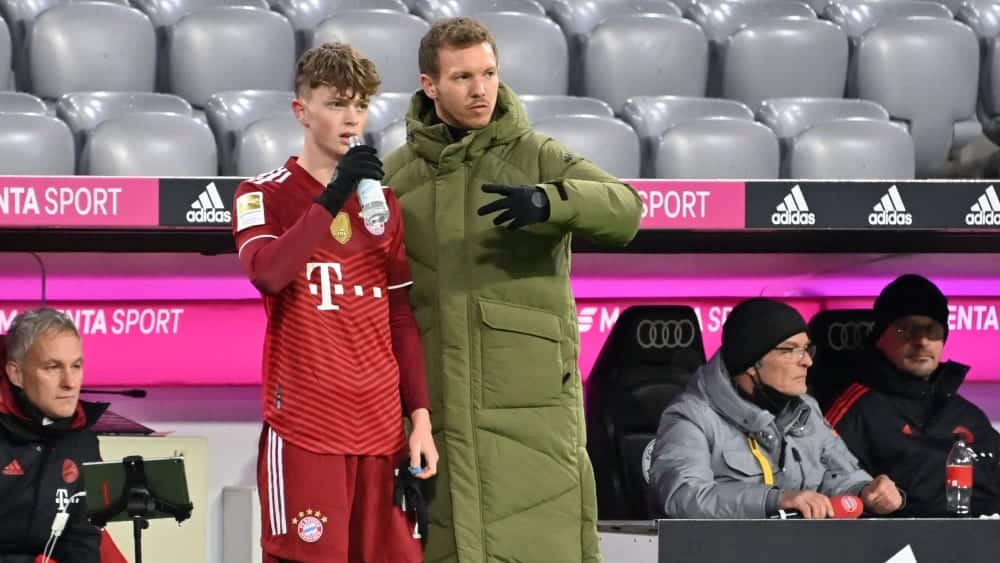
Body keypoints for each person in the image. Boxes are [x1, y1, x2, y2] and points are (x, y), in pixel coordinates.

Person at [382, 16, 643, 563]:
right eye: (462, 77)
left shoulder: (537, 154)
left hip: (533, 413)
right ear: (430, 86)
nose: (480, 89)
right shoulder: (396, 177)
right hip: (434, 413)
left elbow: (625, 210)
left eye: (489, 73)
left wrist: (551, 202)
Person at [231, 42, 438, 563]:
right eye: (336, 104)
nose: (351, 119)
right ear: (301, 111)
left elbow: (400, 318)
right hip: (307, 429)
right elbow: (269, 273)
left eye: (361, 105)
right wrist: (332, 193)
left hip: (383, 432)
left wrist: (420, 419)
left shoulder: (382, 205)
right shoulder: (261, 194)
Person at [649, 298, 904, 519]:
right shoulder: (690, 416)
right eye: (791, 350)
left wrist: (865, 491)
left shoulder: (806, 410)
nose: (807, 361)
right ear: (751, 363)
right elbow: (683, 497)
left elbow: (838, 473)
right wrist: (774, 500)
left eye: (806, 349)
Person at [826, 274, 1000, 516]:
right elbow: (830, 487)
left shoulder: (969, 415)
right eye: (905, 329)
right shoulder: (856, 408)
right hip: (899, 539)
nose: (922, 340)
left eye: (932, 330)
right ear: (880, 337)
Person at [1, 308, 105, 562]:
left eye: (76, 366)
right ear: (16, 374)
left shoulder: (83, 443)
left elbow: (82, 542)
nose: (69, 382)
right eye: (52, 367)